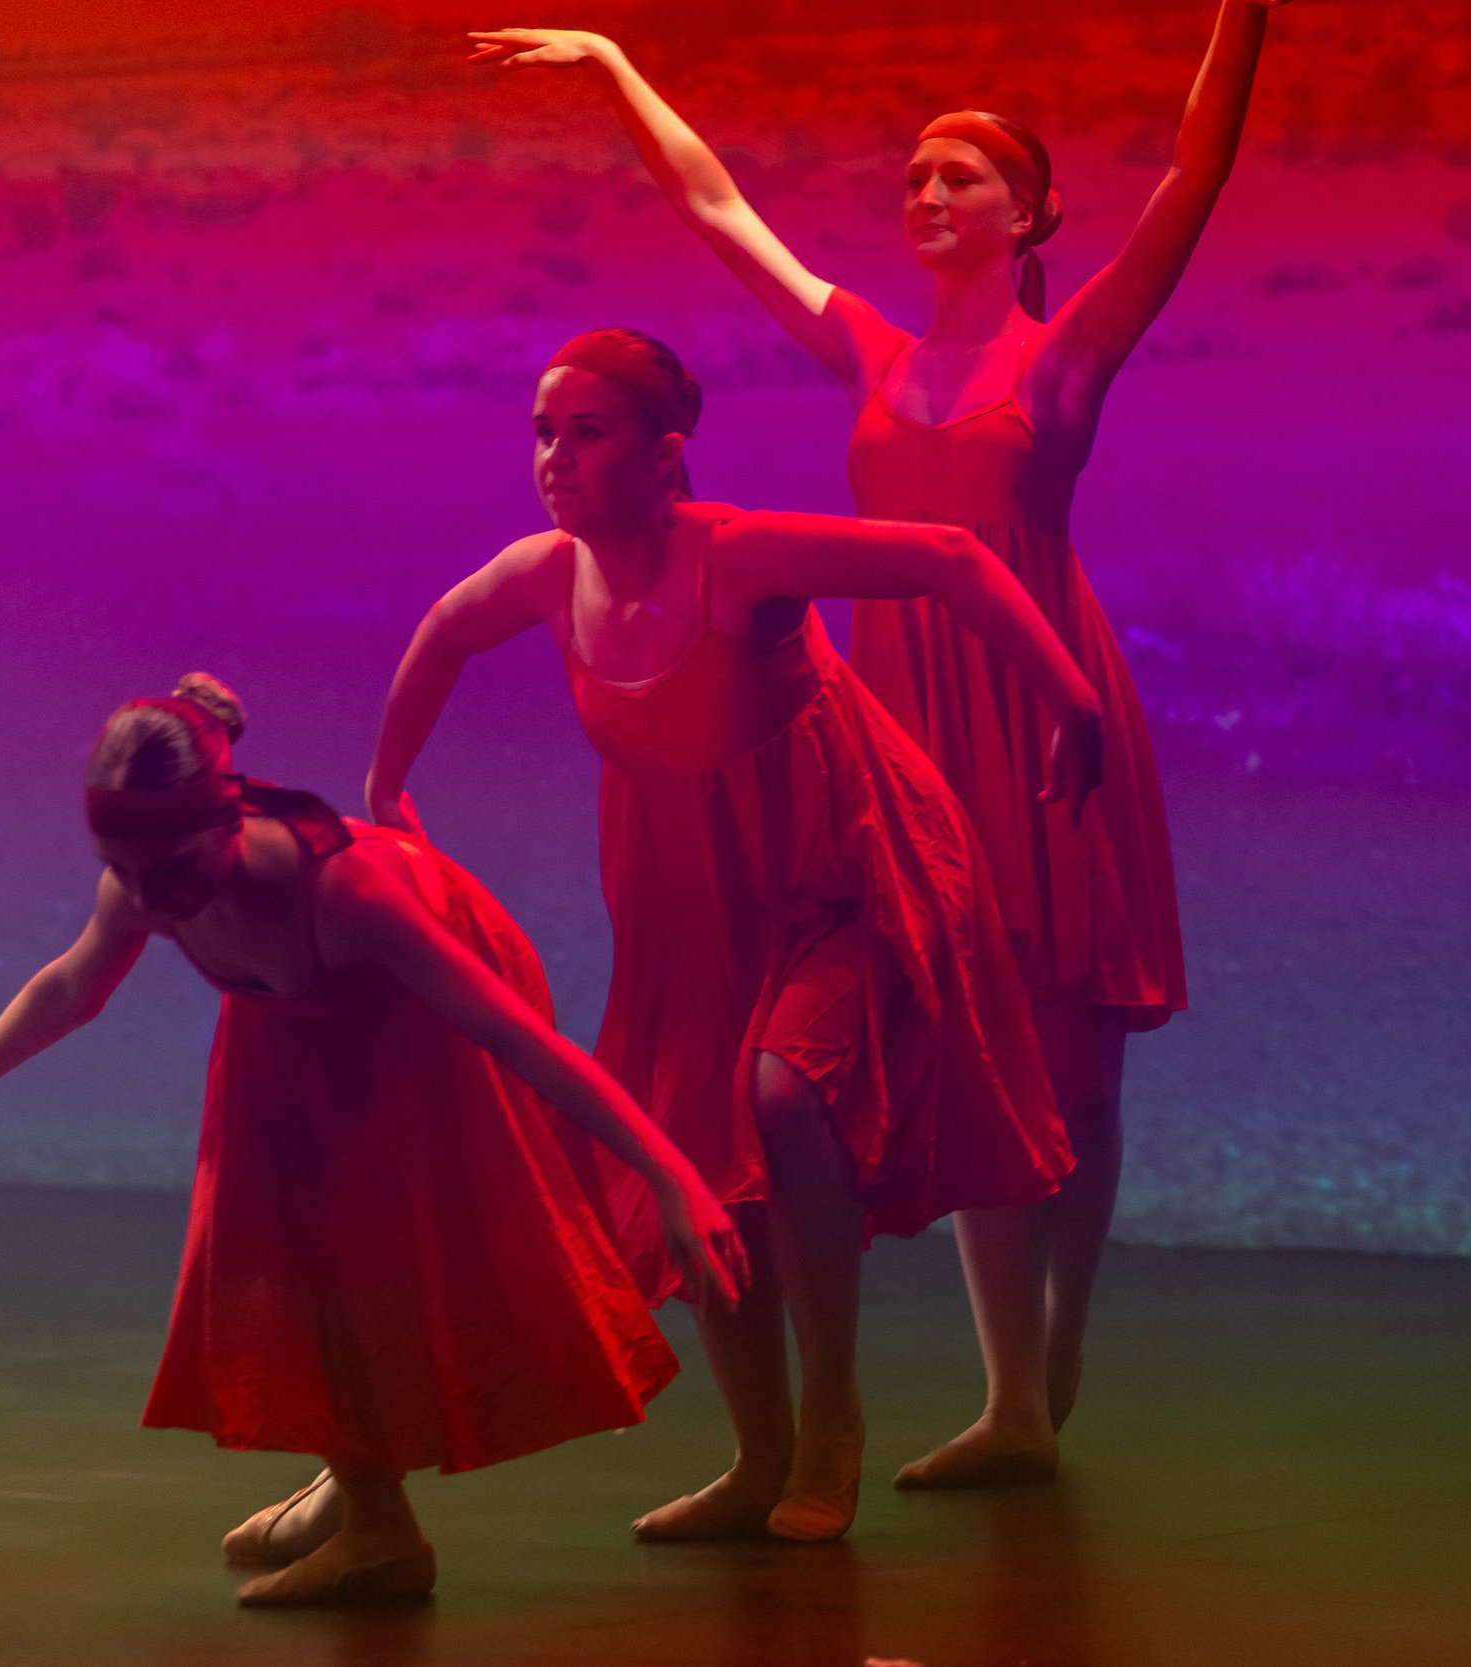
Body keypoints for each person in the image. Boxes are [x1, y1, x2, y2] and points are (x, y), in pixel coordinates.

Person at [469, 0, 1291, 1487]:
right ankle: (1012, 1395)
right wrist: (613, 64)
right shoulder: (870, 351)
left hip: (1041, 694)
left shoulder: (1069, 354)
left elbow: (1192, 178)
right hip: (897, 717)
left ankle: (1056, 1352)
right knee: (977, 1048)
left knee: (1078, 1063)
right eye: (913, 174)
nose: (925, 192)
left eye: (959, 175)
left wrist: (1242, 20)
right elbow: (719, 209)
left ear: (1027, 213)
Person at [365, 328, 1102, 1543]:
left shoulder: (740, 555)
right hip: (686, 911)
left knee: (784, 1092)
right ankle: (758, 1456)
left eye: (586, 433)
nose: (554, 457)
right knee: (695, 1161)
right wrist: (389, 789)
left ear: (667, 458)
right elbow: (443, 631)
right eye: (543, 432)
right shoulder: (549, 574)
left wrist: (1068, 697)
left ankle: (830, 1427)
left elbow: (950, 557)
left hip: (844, 875)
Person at [0, 674, 746, 1608]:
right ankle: (357, 1486)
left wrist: (666, 1170)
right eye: (125, 872)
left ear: (230, 821)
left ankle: (381, 1533)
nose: (149, 901)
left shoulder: (348, 890)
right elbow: (74, 985)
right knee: (275, 1234)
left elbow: (515, 1035)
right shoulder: (149, 879)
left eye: (171, 871)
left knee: (364, 1244)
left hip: (419, 1007)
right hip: (288, 1021)